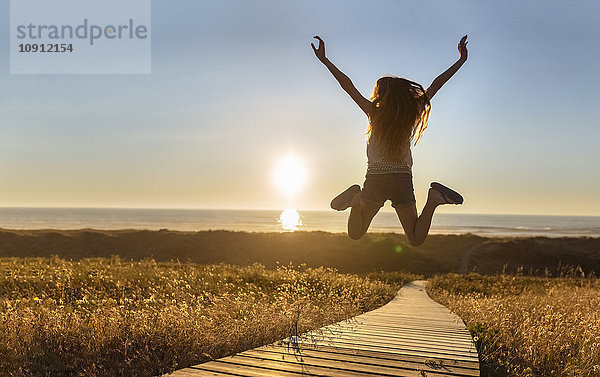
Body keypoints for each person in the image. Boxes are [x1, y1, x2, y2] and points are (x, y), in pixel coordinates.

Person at [311, 35, 468, 245]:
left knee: (356, 233)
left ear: (381, 95)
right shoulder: (412, 111)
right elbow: (436, 84)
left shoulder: (374, 113)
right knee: (415, 239)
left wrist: (325, 60)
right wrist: (461, 60)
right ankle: (434, 199)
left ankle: (356, 198)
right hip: (402, 178)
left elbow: (347, 86)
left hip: (376, 179)